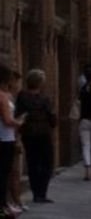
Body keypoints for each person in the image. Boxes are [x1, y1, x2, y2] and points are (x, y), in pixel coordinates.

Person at [15, 69, 55, 204]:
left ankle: (36, 193)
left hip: (28, 133)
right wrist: (52, 124)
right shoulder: (44, 98)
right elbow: (51, 116)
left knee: (33, 162)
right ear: (40, 83)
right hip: (43, 133)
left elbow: (19, 113)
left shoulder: (22, 96)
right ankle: (41, 192)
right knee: (47, 162)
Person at [0, 66, 24, 218]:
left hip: (5, 137)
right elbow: (7, 120)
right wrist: (20, 122)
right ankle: (2, 207)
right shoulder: (2, 96)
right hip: (4, 138)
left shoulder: (5, 95)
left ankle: (4, 205)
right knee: (3, 174)